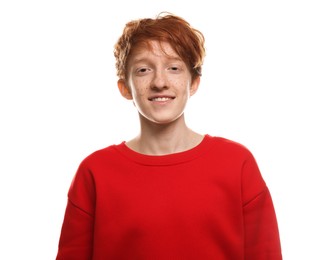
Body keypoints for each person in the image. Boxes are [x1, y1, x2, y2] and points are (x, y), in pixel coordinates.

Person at [56, 12, 282, 259]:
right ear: (125, 88)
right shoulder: (95, 171)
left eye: (174, 68)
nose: (159, 82)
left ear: (193, 82)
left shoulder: (237, 163)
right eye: (143, 70)